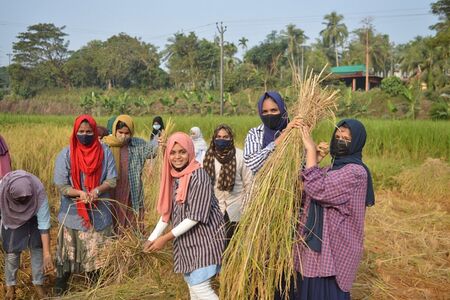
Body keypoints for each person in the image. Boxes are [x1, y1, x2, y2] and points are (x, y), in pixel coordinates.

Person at [287, 119, 375, 299]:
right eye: (337, 136)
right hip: (314, 245)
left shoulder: (355, 172)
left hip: (333, 248)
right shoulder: (330, 169)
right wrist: (316, 160)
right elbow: (304, 191)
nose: (340, 140)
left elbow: (319, 190)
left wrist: (310, 150)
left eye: (346, 138)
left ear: (357, 142)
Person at [143, 132, 224, 300]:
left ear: (190, 152)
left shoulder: (199, 176)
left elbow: (195, 216)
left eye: (182, 152)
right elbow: (167, 213)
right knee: (194, 290)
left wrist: (164, 239)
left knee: (200, 288)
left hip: (205, 241)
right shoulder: (174, 177)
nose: (177, 157)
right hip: (187, 242)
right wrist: (152, 238)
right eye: (172, 152)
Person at [53, 115, 117, 296]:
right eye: (81, 131)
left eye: (89, 131)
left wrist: (96, 191)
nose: (85, 134)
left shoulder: (105, 152)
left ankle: (94, 287)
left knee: (96, 256)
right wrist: (80, 194)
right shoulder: (66, 153)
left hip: (99, 211)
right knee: (67, 254)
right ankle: (61, 283)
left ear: (95, 132)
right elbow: (61, 185)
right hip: (72, 213)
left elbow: (112, 180)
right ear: (75, 132)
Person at [0, 170, 54, 300]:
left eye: (26, 199)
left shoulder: (38, 191)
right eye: (20, 200)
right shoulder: (1, 190)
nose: (23, 203)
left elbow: (44, 224)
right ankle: (10, 287)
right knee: (12, 253)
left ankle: (38, 284)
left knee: (37, 249)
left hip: (34, 218)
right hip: (11, 219)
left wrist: (47, 254)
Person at [103, 115, 157, 235]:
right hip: (112, 189)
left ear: (131, 132)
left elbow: (153, 151)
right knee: (112, 216)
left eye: (127, 133)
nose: (123, 136)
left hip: (131, 190)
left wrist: (161, 143)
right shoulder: (106, 144)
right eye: (120, 132)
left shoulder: (138, 144)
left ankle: (130, 244)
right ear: (115, 131)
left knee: (131, 220)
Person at [203, 124, 252, 245]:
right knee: (215, 245)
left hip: (236, 208)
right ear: (214, 138)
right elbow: (203, 184)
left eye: (225, 137)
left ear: (231, 138)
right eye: (218, 137)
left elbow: (249, 184)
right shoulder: (207, 157)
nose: (221, 140)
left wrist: (245, 208)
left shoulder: (241, 156)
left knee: (234, 245)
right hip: (215, 209)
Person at [243, 91, 302, 174]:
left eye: (274, 110)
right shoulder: (255, 133)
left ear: (282, 110)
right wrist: (284, 135)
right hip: (261, 185)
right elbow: (253, 164)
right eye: (265, 112)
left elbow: (302, 166)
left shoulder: (296, 131)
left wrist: (316, 156)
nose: (269, 114)